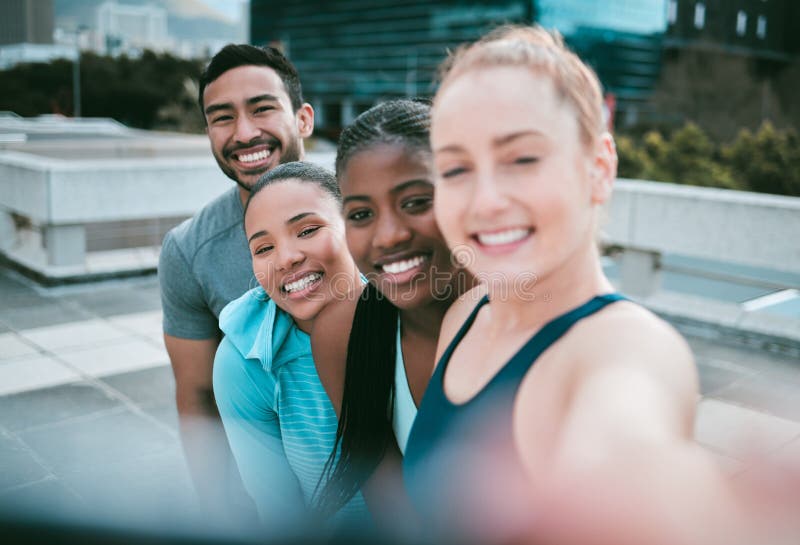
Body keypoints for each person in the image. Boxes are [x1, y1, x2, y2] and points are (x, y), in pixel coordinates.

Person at [402, 25, 800, 545]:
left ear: (599, 167)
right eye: (456, 169)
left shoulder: (628, 347)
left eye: (522, 158)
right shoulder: (465, 313)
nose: (486, 200)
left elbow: (626, 440)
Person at [158, 44, 314, 516]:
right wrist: (217, 511)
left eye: (262, 108)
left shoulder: (366, 212)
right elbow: (198, 395)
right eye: (222, 117)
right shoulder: (188, 250)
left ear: (303, 119)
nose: (244, 134)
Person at [310, 100, 472, 522]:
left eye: (416, 202)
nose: (388, 236)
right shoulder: (342, 334)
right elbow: (399, 518)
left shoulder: (520, 320)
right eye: (361, 214)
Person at [212, 161, 369, 526]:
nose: (287, 258)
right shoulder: (245, 361)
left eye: (308, 229)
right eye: (263, 248)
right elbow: (282, 516)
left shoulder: (407, 310)